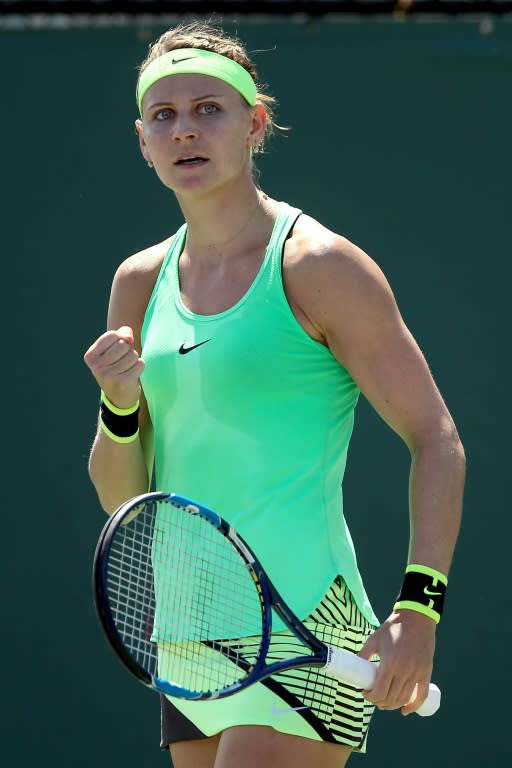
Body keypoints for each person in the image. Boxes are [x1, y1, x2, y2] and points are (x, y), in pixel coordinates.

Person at [84, 19, 465, 768]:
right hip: (187, 639)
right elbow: (121, 498)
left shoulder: (322, 267)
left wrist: (418, 611)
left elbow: (437, 439)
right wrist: (118, 403)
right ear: (142, 140)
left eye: (208, 110)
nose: (185, 131)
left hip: (308, 629)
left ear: (254, 123)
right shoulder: (137, 282)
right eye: (164, 116)